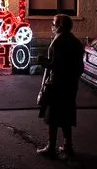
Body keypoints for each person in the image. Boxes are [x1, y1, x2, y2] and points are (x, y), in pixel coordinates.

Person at [36, 14, 85, 158]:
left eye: (54, 23)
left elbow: (54, 64)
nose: (52, 25)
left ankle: (51, 147)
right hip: (70, 84)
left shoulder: (58, 42)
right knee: (67, 115)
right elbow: (79, 66)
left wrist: (43, 61)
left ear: (60, 26)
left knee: (52, 116)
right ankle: (67, 146)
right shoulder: (75, 42)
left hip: (56, 84)